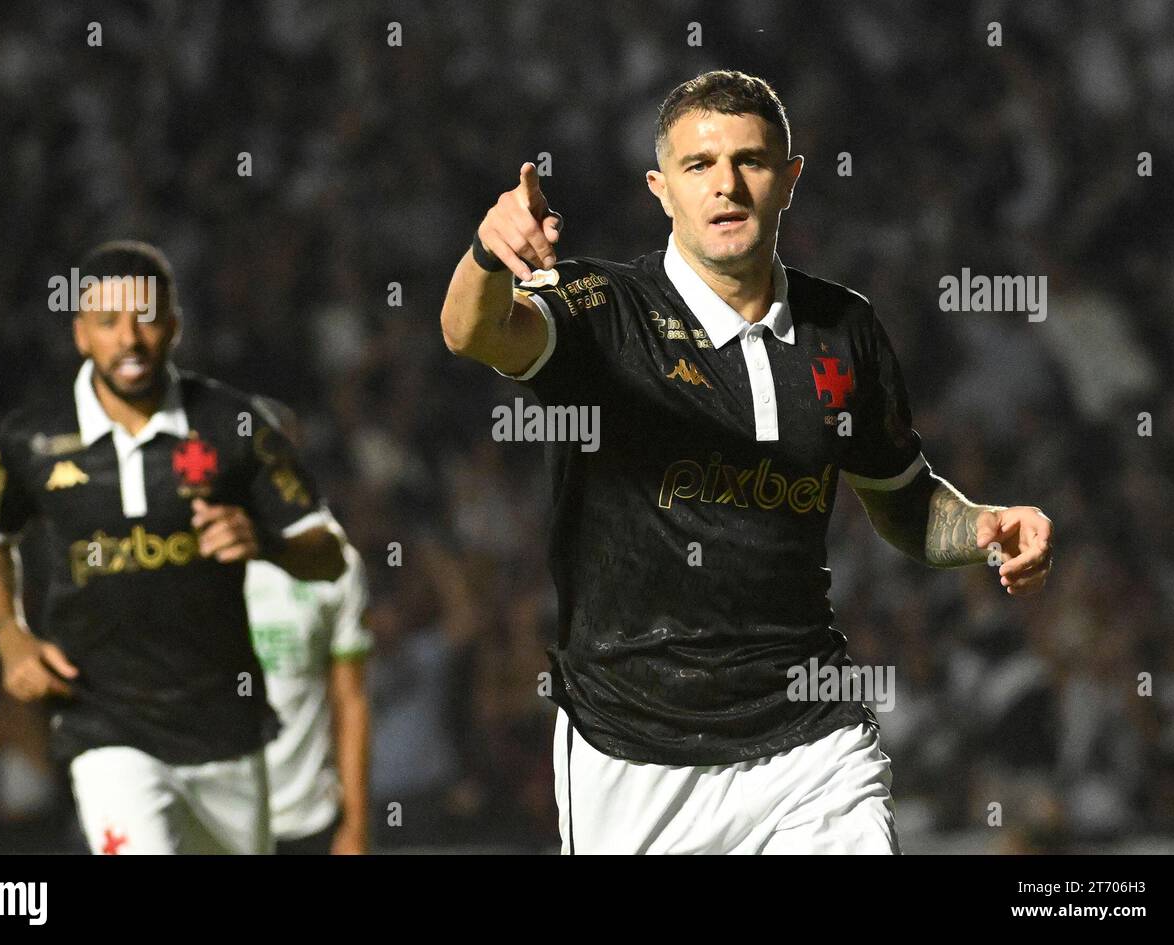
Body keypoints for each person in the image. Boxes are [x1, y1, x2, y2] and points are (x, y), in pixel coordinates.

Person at [440, 70, 1054, 854]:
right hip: (632, 753)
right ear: (662, 189)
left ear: (789, 179)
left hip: (810, 740)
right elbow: (472, 331)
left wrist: (986, 524)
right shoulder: (606, 310)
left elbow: (906, 504)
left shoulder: (845, 329)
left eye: (751, 161)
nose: (726, 184)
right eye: (699, 165)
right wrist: (486, 253)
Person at [0, 240, 346, 854]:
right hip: (104, 725)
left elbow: (327, 553)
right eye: (108, 322)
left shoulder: (236, 424)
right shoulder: (31, 440)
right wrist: (10, 639)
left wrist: (266, 543)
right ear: (81, 334)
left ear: (174, 324)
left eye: (145, 317)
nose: (130, 339)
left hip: (224, 727)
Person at [243, 397, 371, 855]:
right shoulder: (191, 554)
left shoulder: (335, 560)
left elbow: (350, 699)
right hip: (217, 814)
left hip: (308, 820)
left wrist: (355, 826)